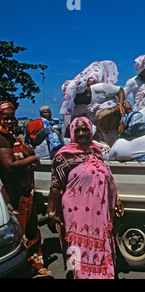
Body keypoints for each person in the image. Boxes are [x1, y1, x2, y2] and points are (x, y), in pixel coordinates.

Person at [46, 117, 124, 279]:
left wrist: (116, 199)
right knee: (80, 246)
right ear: (72, 133)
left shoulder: (96, 150)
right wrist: (50, 212)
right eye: (77, 130)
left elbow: (106, 177)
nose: (82, 133)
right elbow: (55, 187)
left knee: (102, 243)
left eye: (85, 129)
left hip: (99, 211)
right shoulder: (64, 156)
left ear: (91, 130)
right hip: (77, 212)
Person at [0, 101, 52, 278]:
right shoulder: (0, 137)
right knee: (20, 234)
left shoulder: (11, 137)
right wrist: (31, 160)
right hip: (15, 195)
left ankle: (35, 266)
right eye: (5, 118)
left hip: (26, 193)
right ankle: (23, 270)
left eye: (12, 118)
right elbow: (9, 165)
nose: (10, 122)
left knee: (32, 230)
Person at [60, 60, 119, 129]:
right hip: (85, 106)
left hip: (82, 107)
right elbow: (91, 81)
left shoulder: (92, 72)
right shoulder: (98, 72)